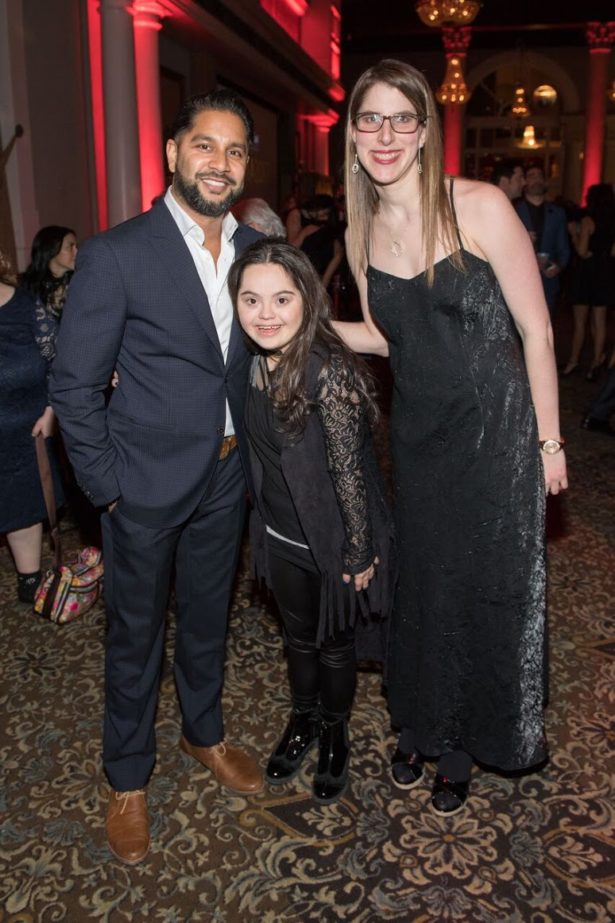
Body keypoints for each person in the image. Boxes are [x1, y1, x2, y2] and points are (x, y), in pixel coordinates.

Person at [336, 58, 568, 816]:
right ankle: (420, 721)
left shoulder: (478, 205)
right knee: (422, 585)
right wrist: (299, 327)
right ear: (352, 130)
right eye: (370, 117)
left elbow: (535, 331)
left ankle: (462, 742)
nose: (385, 134)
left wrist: (550, 443)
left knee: (480, 588)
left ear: (426, 128)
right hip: (419, 435)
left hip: (496, 436)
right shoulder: (356, 223)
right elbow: (381, 336)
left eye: (403, 118)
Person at [50, 89, 264, 866]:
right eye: (204, 145)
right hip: (139, 483)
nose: (219, 162)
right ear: (173, 152)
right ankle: (127, 776)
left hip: (226, 476)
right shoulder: (118, 251)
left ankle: (202, 732)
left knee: (209, 618)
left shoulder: (254, 252)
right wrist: (106, 486)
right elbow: (74, 385)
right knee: (135, 635)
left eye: (235, 150)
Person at [229, 239, 394, 803]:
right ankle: (302, 721)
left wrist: (358, 550)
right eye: (251, 300)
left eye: (281, 298)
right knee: (297, 640)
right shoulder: (250, 362)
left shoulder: (328, 373)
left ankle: (334, 732)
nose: (266, 314)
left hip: (330, 542)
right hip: (276, 537)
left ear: (308, 301)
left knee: (334, 646)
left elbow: (350, 471)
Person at [0, 249, 64, 603]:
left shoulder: (26, 307)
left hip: (25, 433)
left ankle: (29, 579)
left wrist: (52, 410)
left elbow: (59, 361)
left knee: (22, 508)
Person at [561, 183, 615, 381]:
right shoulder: (612, 221)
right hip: (605, 273)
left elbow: (582, 252)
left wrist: (574, 234)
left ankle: (573, 361)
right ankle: (596, 363)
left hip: (586, 273)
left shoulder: (587, 220)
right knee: (599, 322)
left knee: (580, 322)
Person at [516, 165, 570, 316]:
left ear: (545, 182)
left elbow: (564, 248)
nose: (536, 180)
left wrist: (558, 266)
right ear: (524, 182)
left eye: (540, 176)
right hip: (519, 281)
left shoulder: (558, 213)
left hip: (548, 282)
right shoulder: (513, 211)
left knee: (546, 327)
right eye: (531, 176)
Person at [20, 225, 78, 359]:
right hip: (38, 366)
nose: (76, 251)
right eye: (70, 246)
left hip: (72, 364)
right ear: (51, 250)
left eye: (76, 246)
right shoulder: (25, 288)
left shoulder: (79, 283)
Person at [296, 194, 345, 291]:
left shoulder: (310, 229)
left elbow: (292, 248)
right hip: (321, 282)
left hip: (305, 278)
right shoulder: (336, 232)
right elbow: (337, 258)